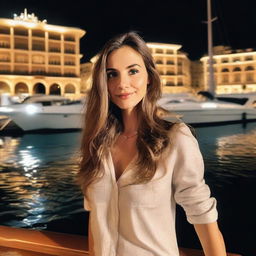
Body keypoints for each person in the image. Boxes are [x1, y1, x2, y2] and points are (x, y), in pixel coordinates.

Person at [78, 31, 226, 256]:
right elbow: (95, 221)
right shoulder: (97, 143)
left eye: (133, 71)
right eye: (111, 74)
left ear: (149, 76)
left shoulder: (175, 138)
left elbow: (203, 217)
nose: (122, 83)